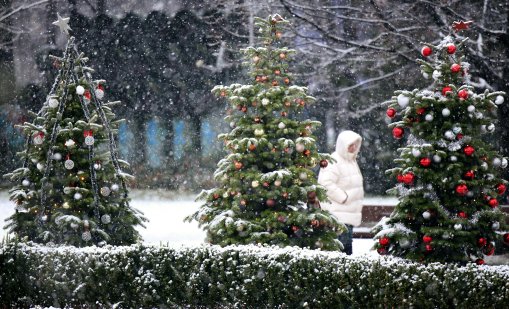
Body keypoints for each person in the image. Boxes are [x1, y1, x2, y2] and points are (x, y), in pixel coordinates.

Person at [318, 130, 364, 255]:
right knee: (342, 248)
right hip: (338, 213)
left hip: (347, 213)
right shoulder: (334, 161)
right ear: (342, 145)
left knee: (346, 246)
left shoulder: (351, 161)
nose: (353, 147)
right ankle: (342, 273)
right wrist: (343, 197)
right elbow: (325, 183)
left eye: (355, 144)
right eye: (350, 144)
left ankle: (345, 272)